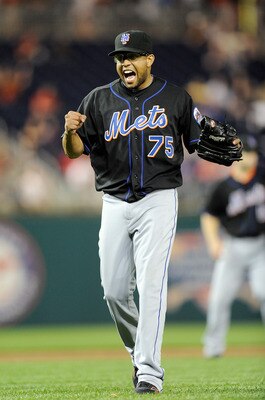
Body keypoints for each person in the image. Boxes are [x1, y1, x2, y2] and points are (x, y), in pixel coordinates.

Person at [62, 30, 240, 394]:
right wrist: (69, 133)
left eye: (132, 55)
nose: (124, 61)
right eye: (119, 56)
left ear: (149, 59)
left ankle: (149, 373)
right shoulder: (97, 100)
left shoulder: (175, 97)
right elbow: (73, 151)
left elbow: (200, 140)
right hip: (113, 201)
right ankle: (136, 351)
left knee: (151, 285)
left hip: (158, 199)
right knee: (113, 291)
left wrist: (220, 143)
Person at [200, 135, 265, 358]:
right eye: (248, 152)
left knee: (264, 292)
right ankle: (213, 347)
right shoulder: (223, 188)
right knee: (218, 298)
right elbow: (209, 216)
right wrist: (213, 241)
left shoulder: (263, 178)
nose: (252, 157)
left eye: (254, 153)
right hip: (233, 247)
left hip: (260, 247)